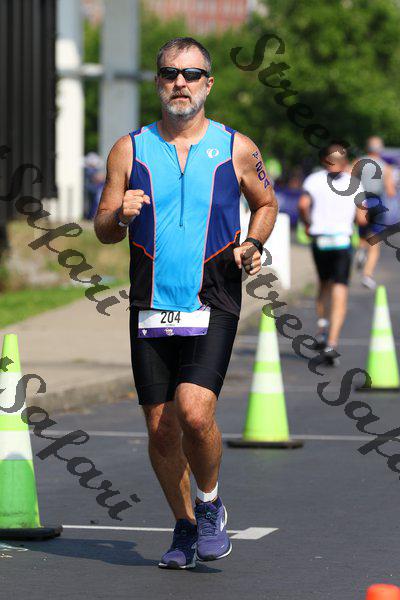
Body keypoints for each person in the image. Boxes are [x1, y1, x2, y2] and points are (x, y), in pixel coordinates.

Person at [94, 37, 278, 569]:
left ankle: (210, 503)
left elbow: (265, 202)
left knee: (194, 412)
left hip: (213, 295)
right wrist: (121, 215)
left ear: (208, 84)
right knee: (161, 428)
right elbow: (103, 227)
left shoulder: (237, 146)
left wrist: (253, 242)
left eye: (192, 74)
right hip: (151, 301)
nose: (181, 83)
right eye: (170, 73)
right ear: (157, 82)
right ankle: (184, 525)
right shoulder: (128, 149)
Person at [298, 143, 367, 365]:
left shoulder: (313, 179)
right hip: (341, 240)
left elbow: (303, 205)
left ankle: (321, 327)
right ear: (345, 162)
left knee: (324, 284)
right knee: (340, 289)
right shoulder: (354, 183)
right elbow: (362, 219)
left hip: (320, 239)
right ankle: (332, 342)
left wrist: (308, 224)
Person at [353, 136, 396, 289]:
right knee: (375, 240)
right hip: (377, 203)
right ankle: (367, 275)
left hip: (361, 203)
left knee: (361, 235)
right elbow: (390, 191)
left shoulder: (358, 162)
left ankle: (360, 250)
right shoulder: (386, 167)